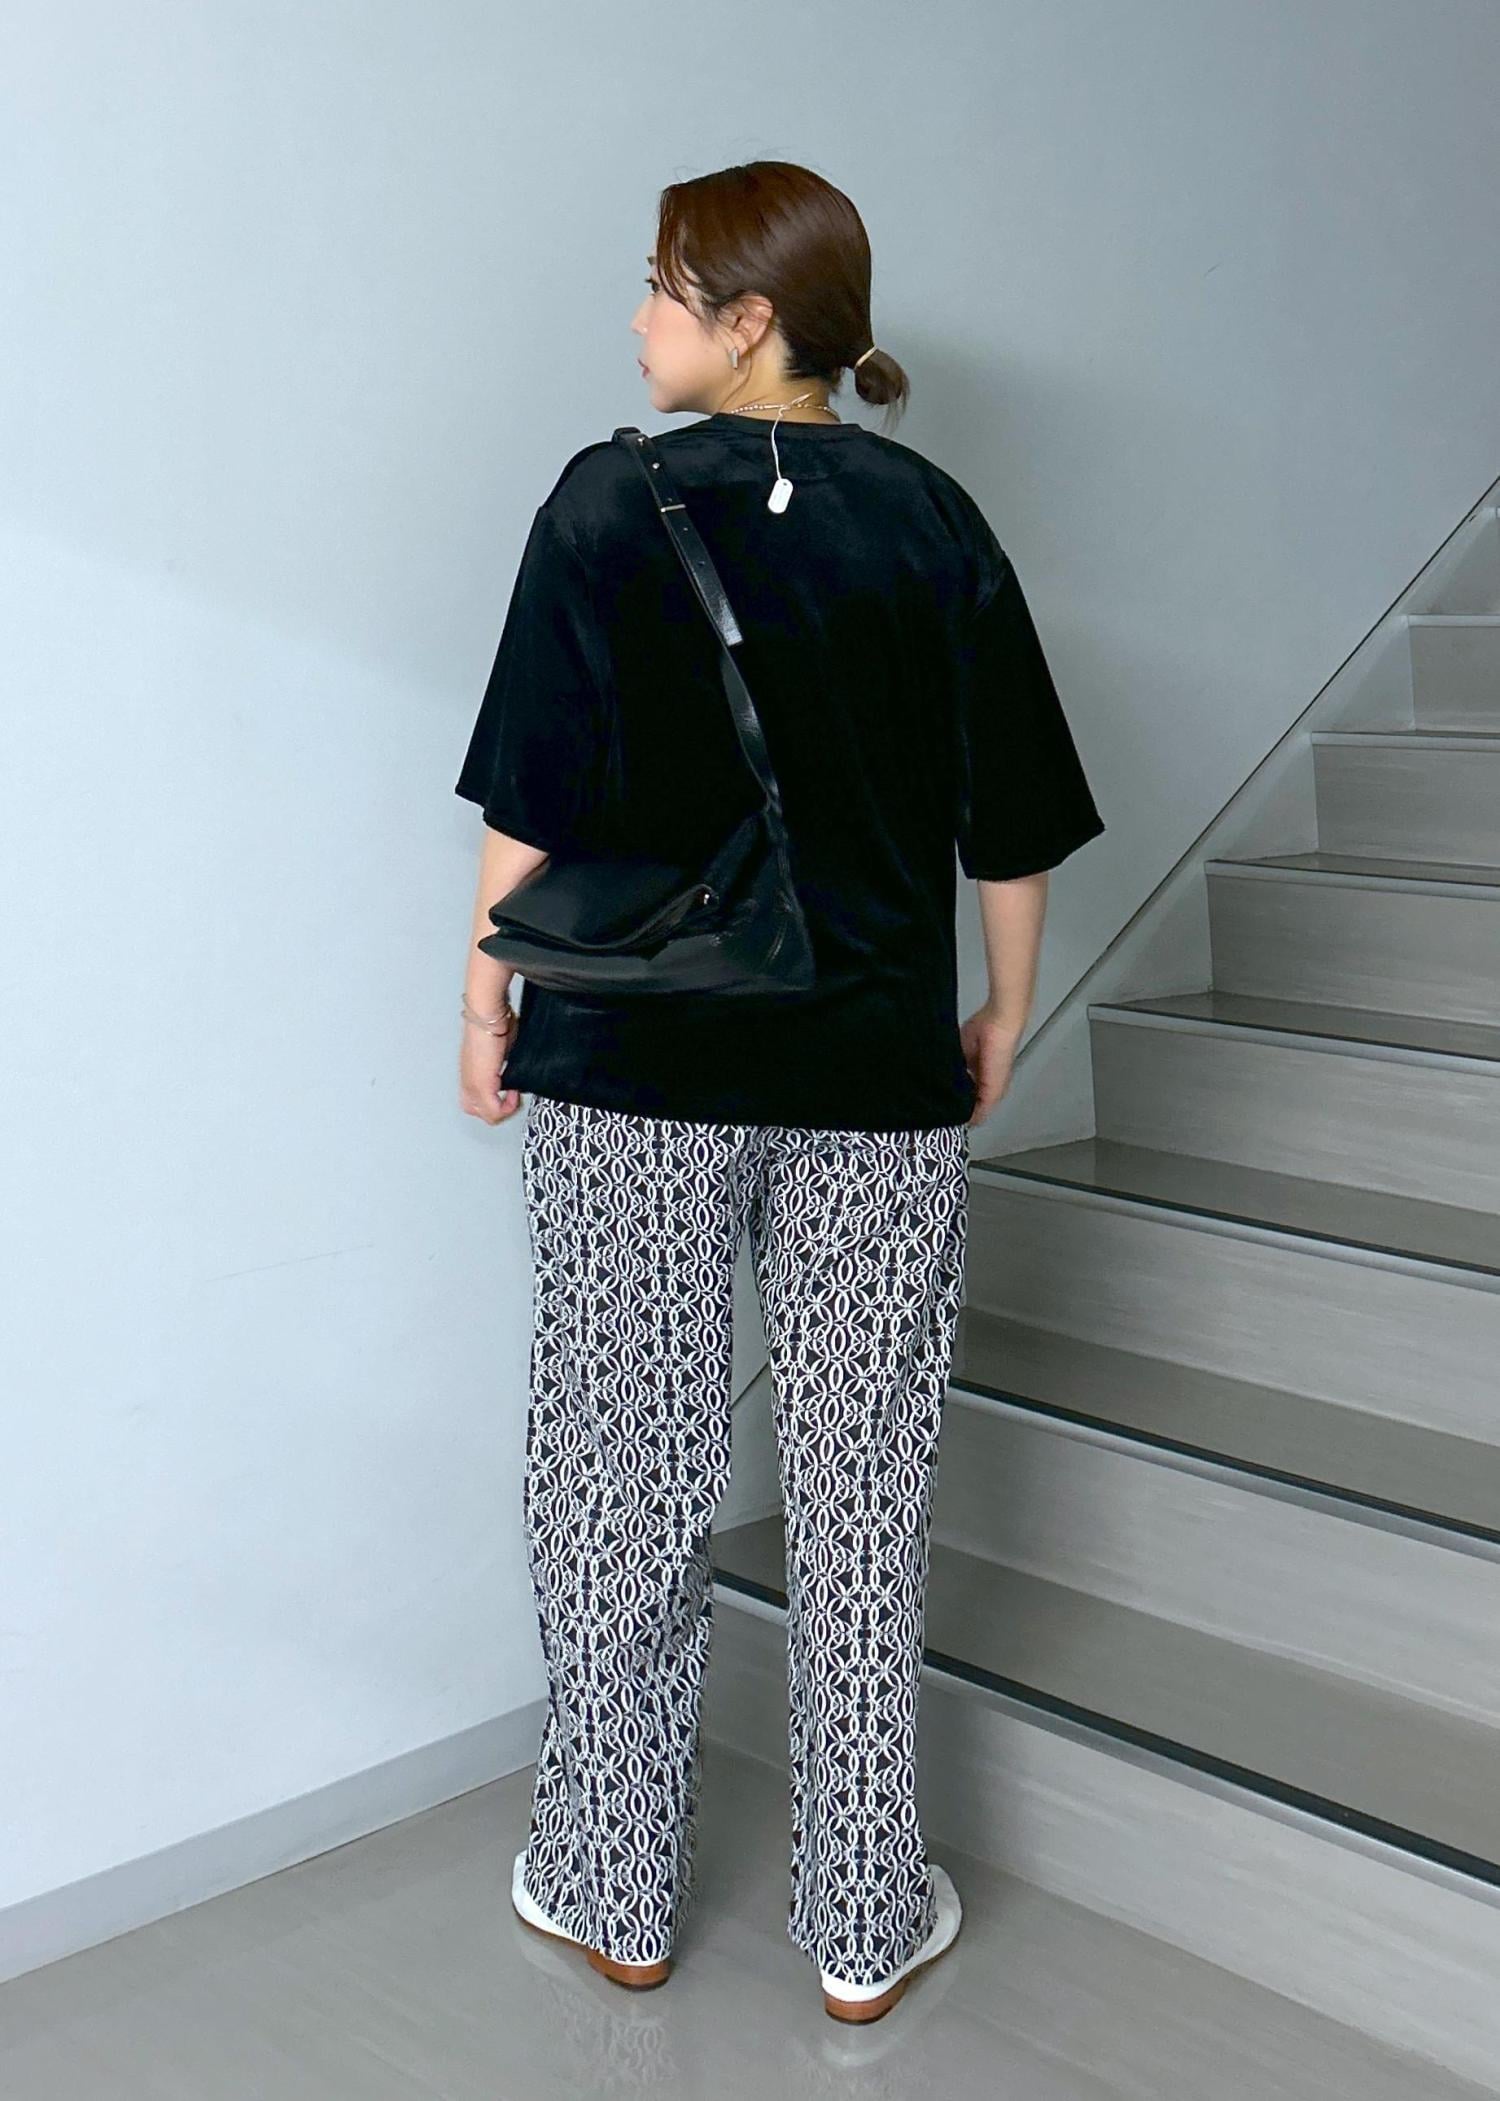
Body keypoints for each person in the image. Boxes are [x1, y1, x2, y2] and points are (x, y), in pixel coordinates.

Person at [455, 159, 1105, 2023]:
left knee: (622, 1473)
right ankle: (861, 1916)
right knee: (861, 1489)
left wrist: (483, 994)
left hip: (631, 1073)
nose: (638, 317)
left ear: (750, 321)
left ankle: (613, 1884)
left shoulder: (604, 502)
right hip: (873, 1080)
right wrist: (1002, 1010)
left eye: (664, 287)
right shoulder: (935, 521)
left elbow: (533, 791)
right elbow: (1010, 818)